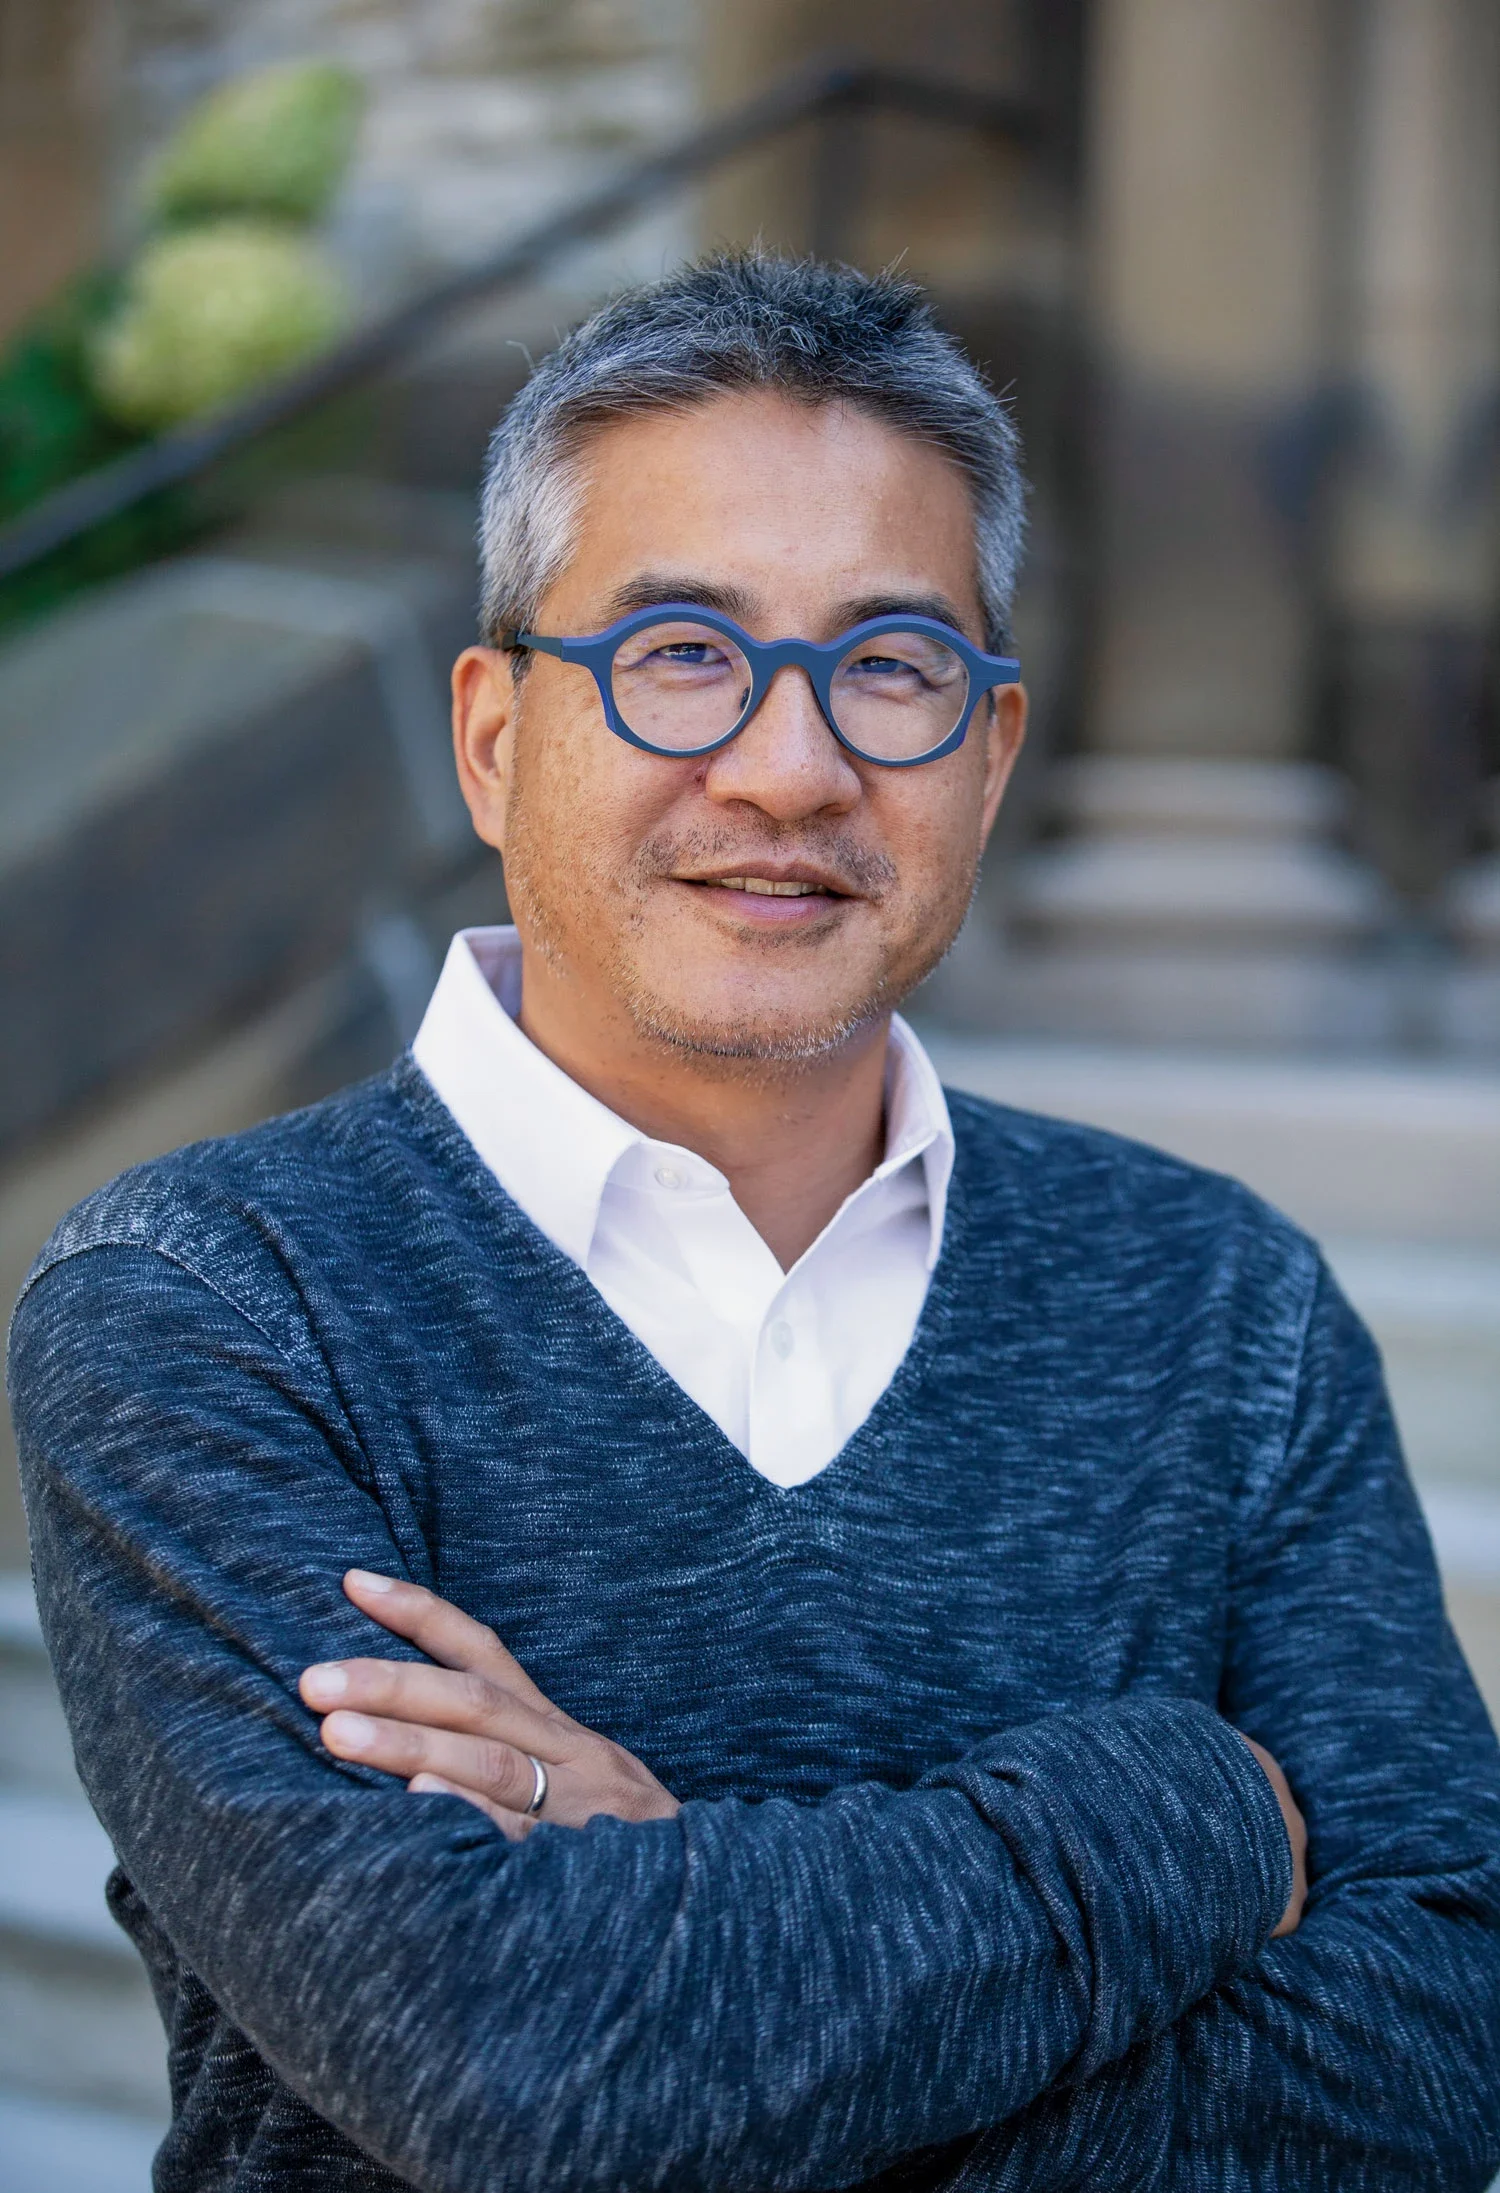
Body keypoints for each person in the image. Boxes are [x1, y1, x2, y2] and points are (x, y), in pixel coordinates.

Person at [9, 252, 1500, 2193]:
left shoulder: (1229, 1302)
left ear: (989, 751)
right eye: (682, 652)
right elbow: (508, 2070)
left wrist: (683, 1926)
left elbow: (1444, 2038)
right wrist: (1198, 1805)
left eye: (889, 667)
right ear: (491, 734)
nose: (789, 768)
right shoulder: (209, 1302)